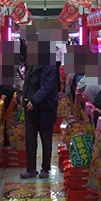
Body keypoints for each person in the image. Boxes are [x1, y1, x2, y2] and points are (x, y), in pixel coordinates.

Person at [21, 39, 59, 179]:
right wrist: (23, 96)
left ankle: (45, 169)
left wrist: (35, 100)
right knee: (30, 138)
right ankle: (31, 169)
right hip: (29, 106)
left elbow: (47, 87)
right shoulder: (30, 63)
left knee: (46, 139)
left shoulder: (50, 66)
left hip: (45, 107)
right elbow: (27, 82)